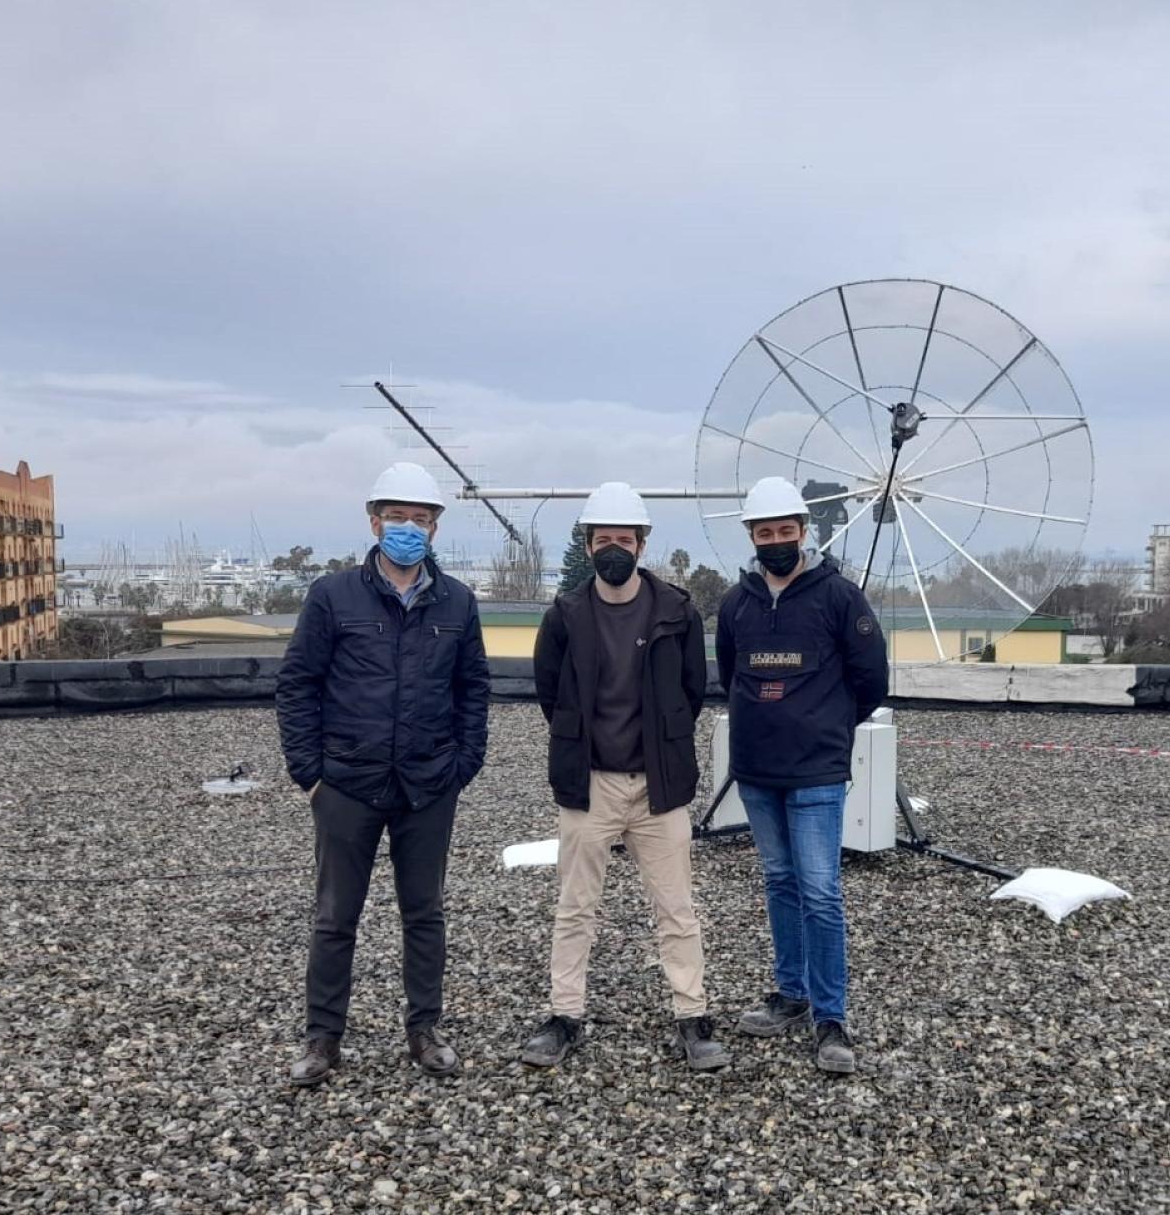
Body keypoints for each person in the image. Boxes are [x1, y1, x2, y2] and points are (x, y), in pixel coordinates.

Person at [276, 461, 490, 1084]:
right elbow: (298, 684)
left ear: (435, 529)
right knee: (335, 916)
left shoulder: (457, 602)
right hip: (347, 784)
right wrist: (310, 774)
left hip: (428, 785)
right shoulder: (333, 595)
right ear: (374, 523)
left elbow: (473, 689)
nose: (408, 529)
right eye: (397, 518)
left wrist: (462, 765)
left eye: (420, 520)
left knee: (424, 913)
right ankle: (323, 1038)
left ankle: (425, 1030)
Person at [522, 483, 727, 1072]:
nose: (614, 548)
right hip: (590, 785)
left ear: (642, 544)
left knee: (677, 908)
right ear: (589, 546)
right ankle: (564, 1015)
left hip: (658, 787)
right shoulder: (565, 615)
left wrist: (662, 744)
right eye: (603, 539)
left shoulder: (676, 612)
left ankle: (692, 1015)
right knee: (575, 907)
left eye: (624, 539)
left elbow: (691, 690)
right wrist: (580, 745)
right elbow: (550, 691)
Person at [715, 476, 888, 1074]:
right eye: (765, 533)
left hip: (816, 771)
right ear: (752, 536)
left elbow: (871, 679)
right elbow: (730, 673)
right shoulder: (736, 604)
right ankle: (791, 994)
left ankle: (831, 1018)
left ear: (804, 532)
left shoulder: (839, 597)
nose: (776, 541)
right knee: (781, 882)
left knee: (820, 891)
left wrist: (827, 724)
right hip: (757, 771)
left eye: (785, 531)